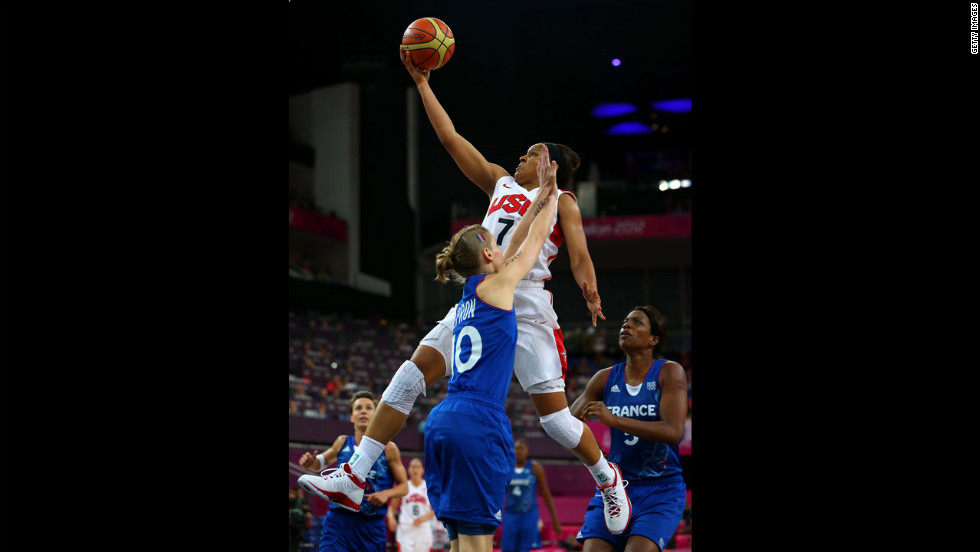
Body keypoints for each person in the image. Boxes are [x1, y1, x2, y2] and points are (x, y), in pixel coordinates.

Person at [310, 43, 631, 538]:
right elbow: (449, 136)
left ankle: (607, 477)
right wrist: (423, 85)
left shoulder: (562, 199)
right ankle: (354, 474)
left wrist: (589, 289)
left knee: (555, 423)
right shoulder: (499, 182)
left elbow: (580, 256)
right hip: (482, 292)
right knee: (410, 373)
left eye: (530, 155)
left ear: (551, 168)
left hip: (526, 306)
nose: (519, 159)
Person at [423, 146, 561, 552]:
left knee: (459, 542)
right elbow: (533, 240)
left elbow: (515, 240)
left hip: (443, 418)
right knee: (481, 543)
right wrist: (550, 195)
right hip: (478, 420)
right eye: (495, 247)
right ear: (488, 254)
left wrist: (536, 200)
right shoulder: (500, 287)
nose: (504, 249)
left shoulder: (472, 292)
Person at [569, 306, 689, 552]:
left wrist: (615, 420)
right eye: (625, 322)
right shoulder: (604, 377)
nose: (626, 326)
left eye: (636, 323)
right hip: (616, 487)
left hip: (661, 490)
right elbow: (568, 424)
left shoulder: (669, 371)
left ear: (654, 340)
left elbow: (673, 432)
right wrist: (594, 455)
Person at [296, 390, 409, 552]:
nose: (363, 411)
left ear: (376, 415)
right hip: (338, 523)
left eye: (369, 408)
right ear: (351, 417)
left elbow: (404, 487)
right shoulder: (342, 442)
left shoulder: (389, 448)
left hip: (371, 527)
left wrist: (386, 494)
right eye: (358, 408)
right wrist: (310, 463)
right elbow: (319, 464)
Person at [501, 439, 562, 552]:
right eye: (517, 448)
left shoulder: (535, 469)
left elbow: (546, 494)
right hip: (510, 514)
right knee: (508, 549)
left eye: (522, 448)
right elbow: (498, 493)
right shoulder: (507, 469)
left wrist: (555, 519)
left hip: (529, 515)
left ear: (527, 451)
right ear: (513, 451)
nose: (519, 451)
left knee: (526, 549)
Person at [386, 458, 435, 552]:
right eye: (413, 467)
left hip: (423, 528)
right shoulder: (404, 487)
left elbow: (436, 510)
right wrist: (391, 518)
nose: (415, 469)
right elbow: (391, 507)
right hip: (405, 528)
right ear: (408, 470)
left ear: (422, 470)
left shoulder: (428, 487)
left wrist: (423, 518)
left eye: (418, 467)